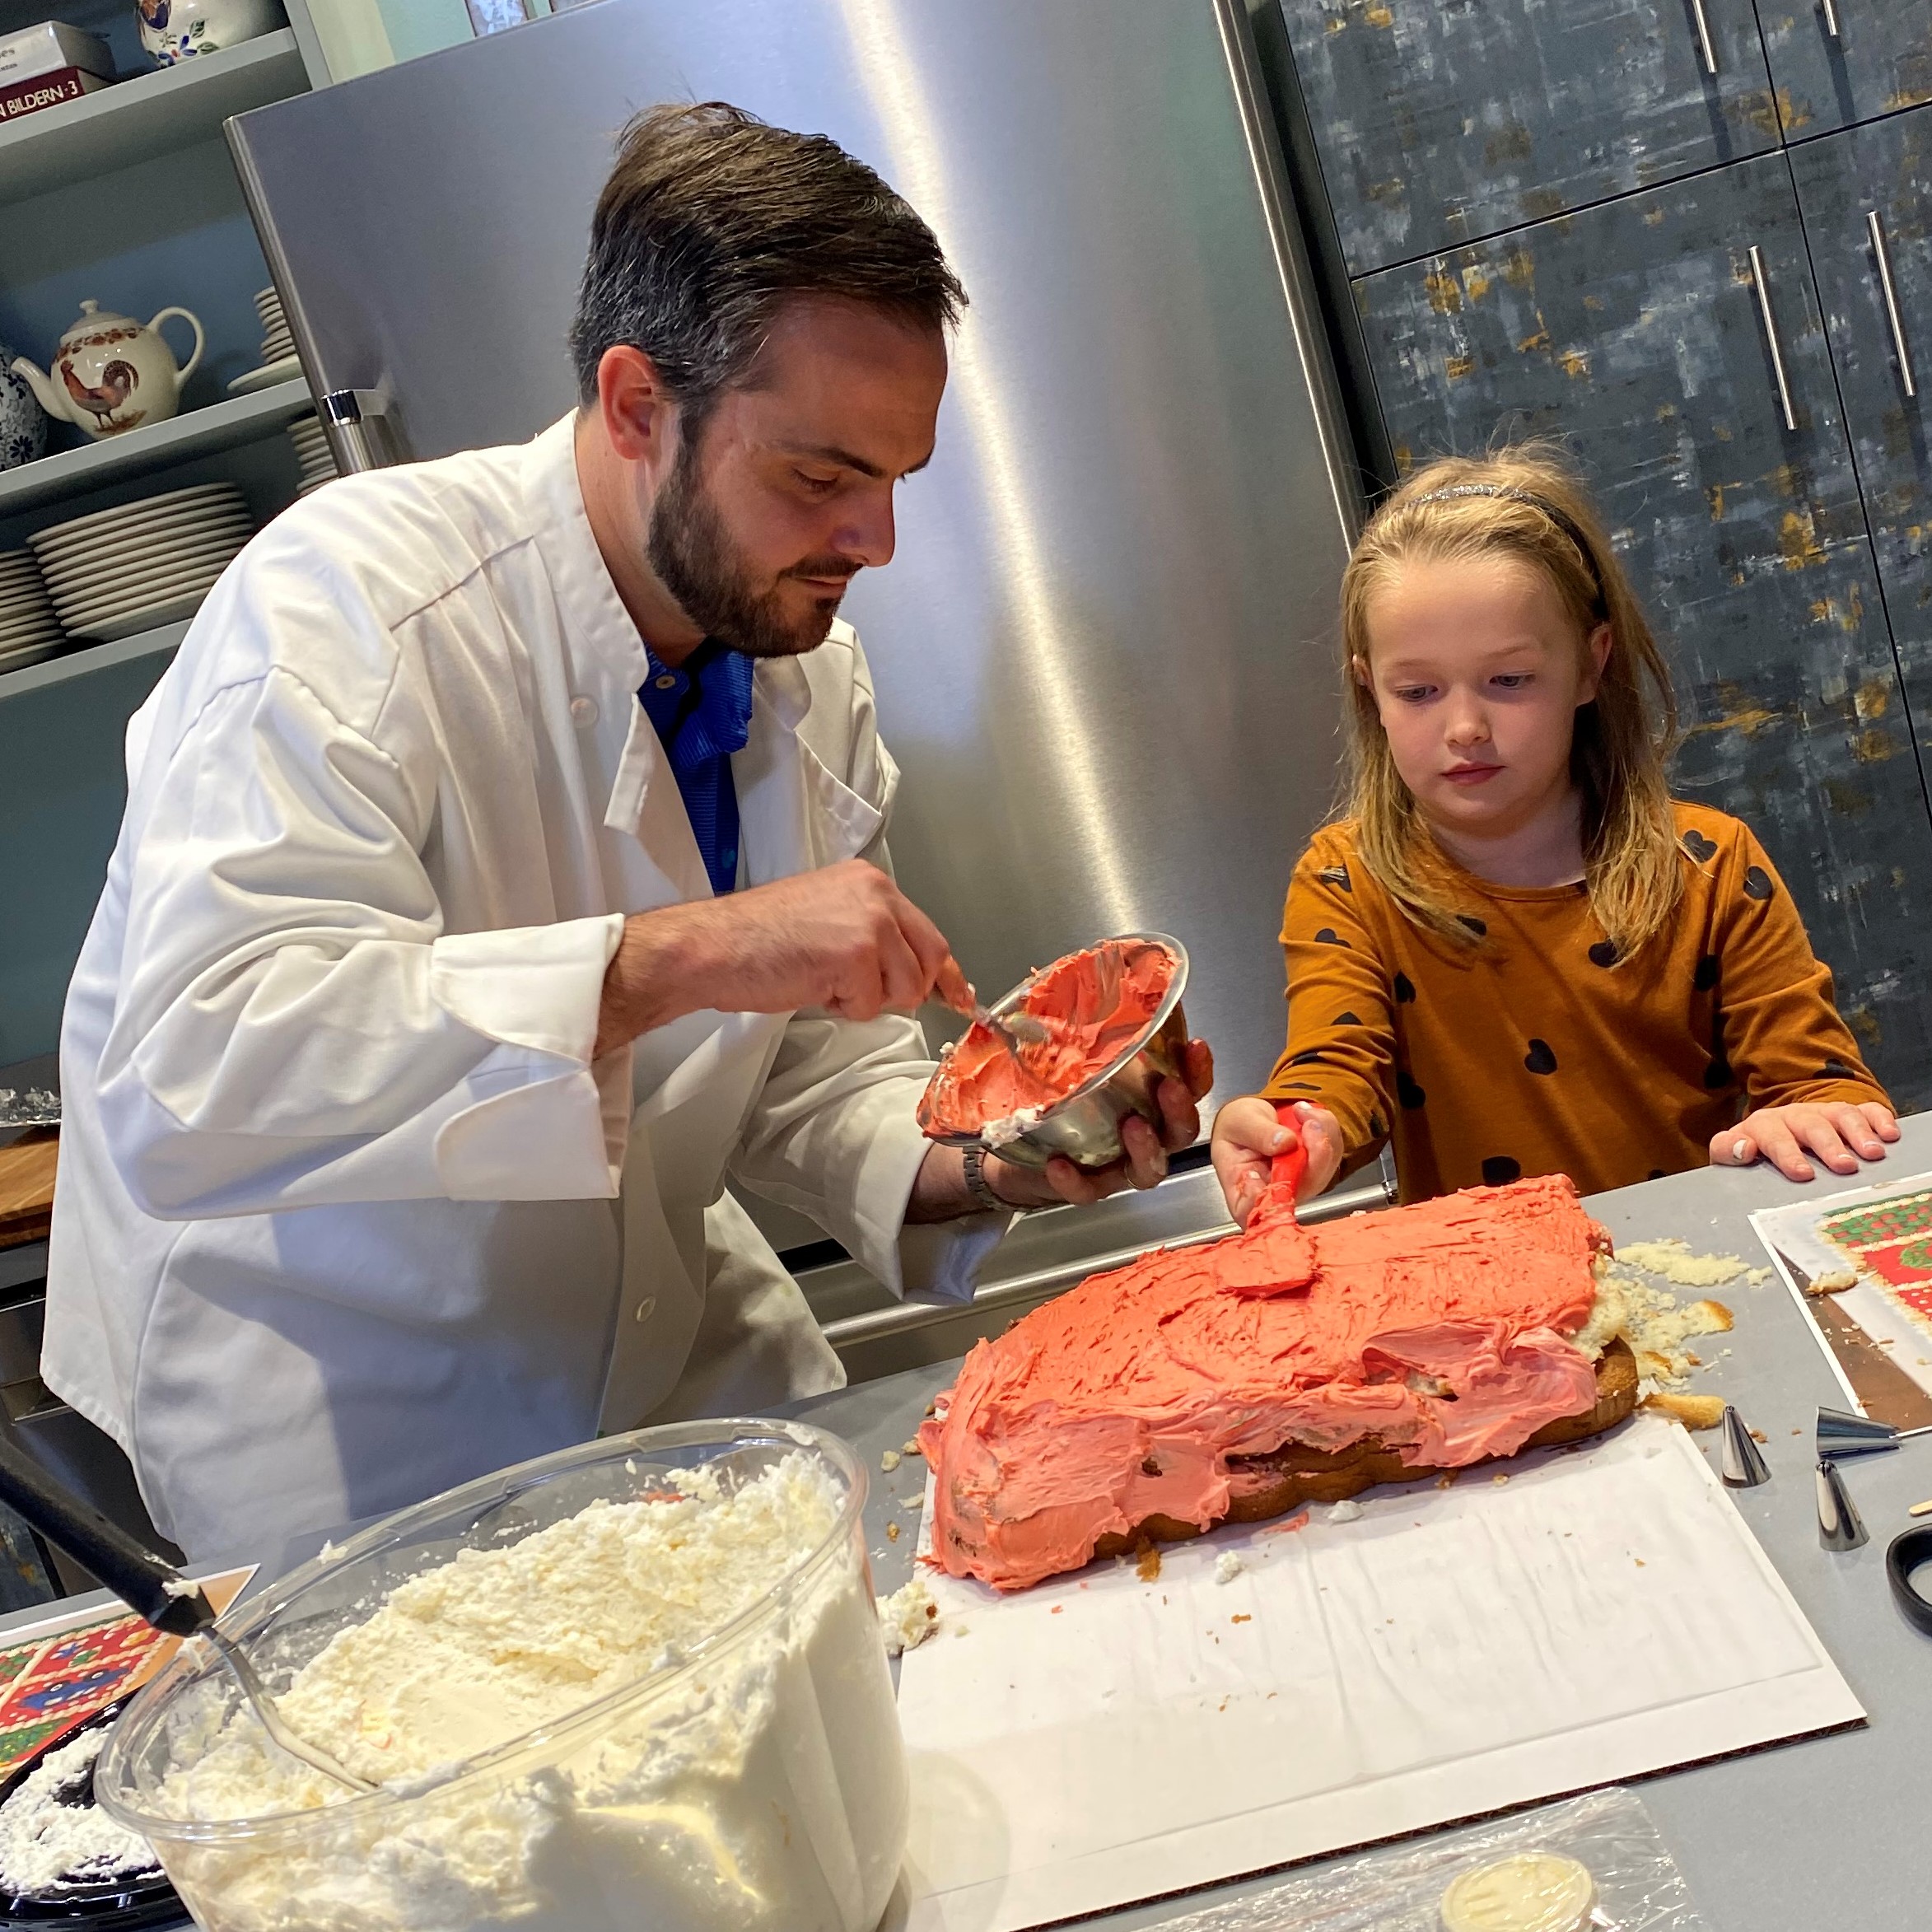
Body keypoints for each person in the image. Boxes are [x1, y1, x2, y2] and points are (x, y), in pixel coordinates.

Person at [42, 103, 1209, 1557]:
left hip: (670, 1339)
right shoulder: (347, 609)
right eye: (819, 476)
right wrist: (688, 952)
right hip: (360, 1422)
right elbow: (201, 1061)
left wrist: (993, 1162)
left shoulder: (797, 659)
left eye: (896, 479)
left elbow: (805, 1076)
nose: (876, 544)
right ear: (637, 401)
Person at [1211, 446, 1897, 1223]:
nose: (1465, 726)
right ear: (1371, 692)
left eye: (1509, 680)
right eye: (1418, 690)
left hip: (1702, 1277)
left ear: (1591, 666)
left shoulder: (1708, 865)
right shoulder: (1346, 878)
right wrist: (1298, 1130)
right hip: (1487, 1315)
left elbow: (1823, 1082)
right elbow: (1335, 1068)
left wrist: (1808, 1115)